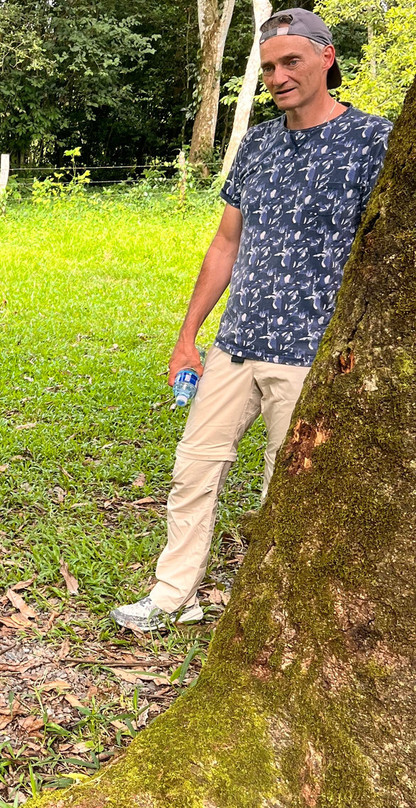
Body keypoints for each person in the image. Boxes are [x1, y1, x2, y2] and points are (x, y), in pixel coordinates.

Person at [112, 8, 393, 632]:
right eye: (268, 67)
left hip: (312, 350)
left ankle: (272, 606)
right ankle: (170, 597)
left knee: (287, 489)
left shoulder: (378, 140)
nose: (278, 75)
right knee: (193, 469)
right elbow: (225, 244)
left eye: (291, 61)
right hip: (235, 344)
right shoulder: (259, 143)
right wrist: (189, 338)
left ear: (327, 58)